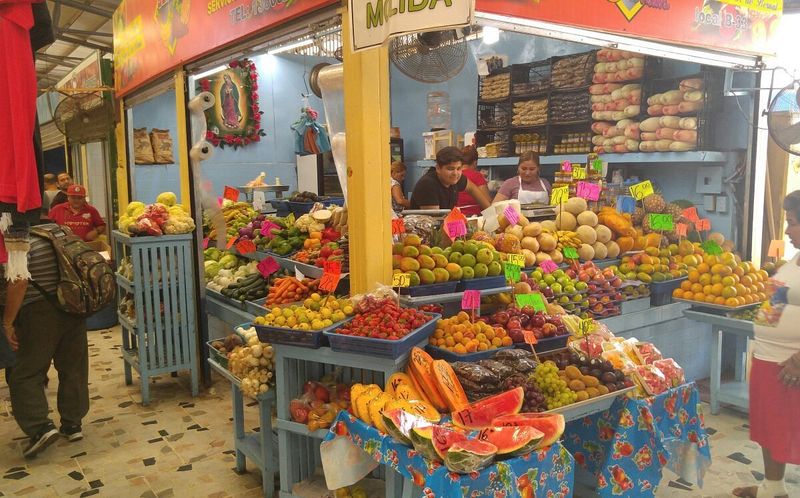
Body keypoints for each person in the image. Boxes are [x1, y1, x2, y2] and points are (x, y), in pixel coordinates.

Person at [732, 191, 800, 498]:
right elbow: (781, 301)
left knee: (790, 432)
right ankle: (773, 489)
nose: (787, 230)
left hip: (791, 364)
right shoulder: (796, 257)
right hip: (769, 359)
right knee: (771, 429)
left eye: (793, 223)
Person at [2, 224, 89, 458]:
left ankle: (40, 427)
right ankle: (73, 423)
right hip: (72, 305)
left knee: (25, 373)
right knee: (73, 367)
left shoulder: (14, 239)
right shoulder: (54, 231)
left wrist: (8, 322)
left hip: (39, 312)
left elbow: (18, 281)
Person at [410, 146, 491, 211]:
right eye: (450, 169)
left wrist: (491, 213)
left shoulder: (455, 178)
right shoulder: (427, 185)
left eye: (459, 168)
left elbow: (472, 188)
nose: (455, 173)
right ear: (438, 168)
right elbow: (434, 222)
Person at [455, 145, 490, 216]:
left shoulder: (453, 176)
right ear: (475, 163)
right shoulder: (477, 176)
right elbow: (487, 203)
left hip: (454, 217)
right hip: (474, 219)